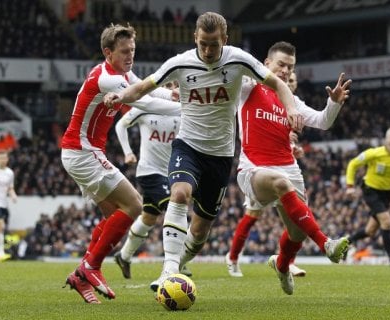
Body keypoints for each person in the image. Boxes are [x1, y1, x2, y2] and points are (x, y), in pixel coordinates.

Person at [104, 12, 302, 292]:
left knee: (199, 232)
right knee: (180, 193)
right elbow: (144, 86)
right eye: (203, 44)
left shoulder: (239, 59)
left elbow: (279, 83)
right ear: (195, 38)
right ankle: (168, 269)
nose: (208, 51)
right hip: (188, 145)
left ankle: (181, 261)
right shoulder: (181, 63)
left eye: (214, 45)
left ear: (225, 40)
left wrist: (291, 108)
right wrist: (120, 96)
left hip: (220, 155)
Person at [61, 23, 180, 304]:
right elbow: (145, 103)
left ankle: (83, 275)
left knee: (113, 215)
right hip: (82, 151)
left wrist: (174, 94)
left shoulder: (120, 73)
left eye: (133, 51)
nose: (130, 56)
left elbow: (145, 90)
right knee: (135, 206)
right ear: (108, 52)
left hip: (81, 151)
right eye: (125, 51)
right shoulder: (108, 79)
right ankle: (90, 266)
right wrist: (190, 106)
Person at [225, 41, 351, 294]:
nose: (285, 71)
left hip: (289, 166)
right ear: (267, 63)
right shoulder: (248, 87)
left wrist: (334, 103)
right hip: (253, 169)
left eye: (290, 67)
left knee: (297, 234)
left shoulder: (291, 100)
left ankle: (282, 265)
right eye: (280, 64)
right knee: (280, 184)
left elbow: (323, 122)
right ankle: (326, 244)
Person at [113, 82, 186, 279]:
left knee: (149, 217)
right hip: (149, 171)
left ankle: (124, 256)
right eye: (169, 84)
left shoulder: (182, 110)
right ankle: (177, 261)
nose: (173, 89)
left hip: (171, 172)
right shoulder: (145, 107)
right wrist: (128, 152)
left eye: (176, 84)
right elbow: (121, 125)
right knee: (174, 206)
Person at [345, 127, 390, 267]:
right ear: (386, 139)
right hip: (370, 190)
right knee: (387, 222)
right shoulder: (374, 153)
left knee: (370, 231)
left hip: (387, 194)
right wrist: (350, 187)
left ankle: (345, 243)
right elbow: (353, 164)